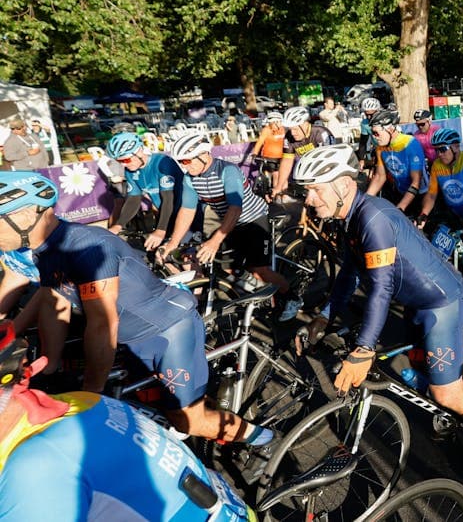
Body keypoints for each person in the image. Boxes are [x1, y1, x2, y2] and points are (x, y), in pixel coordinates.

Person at [290, 147, 463, 486]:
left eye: (315, 188)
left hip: (440, 304)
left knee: (446, 392)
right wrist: (323, 318)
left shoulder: (373, 219)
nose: (308, 199)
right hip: (415, 302)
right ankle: (453, 402)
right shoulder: (348, 217)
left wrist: (363, 349)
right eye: (305, 190)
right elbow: (349, 275)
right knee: (412, 372)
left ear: (344, 185)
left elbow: (380, 289)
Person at [0, 172, 273, 445]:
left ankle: (265, 440)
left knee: (188, 420)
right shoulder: (45, 250)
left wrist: (90, 396)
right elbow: (53, 301)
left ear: (26, 215)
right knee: (143, 406)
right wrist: (48, 364)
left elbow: (103, 324)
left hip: (168, 330)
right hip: (133, 339)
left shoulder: (87, 246)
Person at [0, 324, 255, 520]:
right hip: (220, 505)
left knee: (189, 418)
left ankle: (260, 436)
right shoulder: (77, 401)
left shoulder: (35, 470)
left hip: (169, 330)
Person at [160, 134, 303, 322]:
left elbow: (236, 208)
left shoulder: (228, 171)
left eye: (186, 161)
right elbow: (187, 210)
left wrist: (214, 241)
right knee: (226, 268)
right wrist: (173, 243)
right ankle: (257, 292)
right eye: (180, 162)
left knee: (259, 269)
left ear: (203, 154)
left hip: (254, 220)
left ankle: (292, 297)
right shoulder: (190, 179)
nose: (184, 167)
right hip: (230, 223)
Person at [104, 132, 186, 251]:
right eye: (119, 161)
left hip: (184, 212)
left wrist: (161, 230)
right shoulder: (131, 171)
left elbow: (168, 199)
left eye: (126, 160)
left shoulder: (163, 163)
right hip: (166, 214)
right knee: (157, 254)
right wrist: (118, 225)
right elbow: (133, 200)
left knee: (181, 255)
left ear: (139, 152)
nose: (123, 165)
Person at [416, 128, 463, 230]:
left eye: (442, 149)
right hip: (457, 213)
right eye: (436, 150)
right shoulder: (436, 165)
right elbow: (431, 194)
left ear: (456, 147)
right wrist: (424, 214)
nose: (439, 154)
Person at [365, 109, 429, 213]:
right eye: (372, 133)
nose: (374, 137)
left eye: (376, 133)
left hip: (420, 195)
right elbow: (380, 177)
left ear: (390, 129)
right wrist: (364, 202)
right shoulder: (380, 148)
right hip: (401, 192)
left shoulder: (410, 144)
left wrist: (400, 208)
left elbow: (415, 183)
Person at [273, 106, 335, 199]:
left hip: (328, 175)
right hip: (310, 178)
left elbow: (328, 163)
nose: (293, 133)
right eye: (290, 130)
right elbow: (287, 161)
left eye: (295, 129)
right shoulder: (289, 136)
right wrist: (279, 187)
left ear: (305, 124)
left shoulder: (321, 133)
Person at [358, 97, 383, 167]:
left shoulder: (384, 120)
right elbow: (363, 142)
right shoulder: (365, 123)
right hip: (377, 149)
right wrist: (361, 159)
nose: (369, 117)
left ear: (377, 111)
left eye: (371, 114)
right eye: (366, 114)